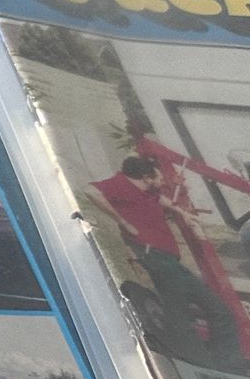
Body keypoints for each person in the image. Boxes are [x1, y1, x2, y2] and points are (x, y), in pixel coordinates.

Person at [86, 155, 240, 363]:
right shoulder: (120, 184)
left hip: (169, 258)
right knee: (181, 315)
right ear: (146, 177)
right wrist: (122, 221)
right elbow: (91, 191)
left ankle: (226, 361)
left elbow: (158, 198)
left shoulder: (146, 191)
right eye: (158, 178)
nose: (161, 181)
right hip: (155, 256)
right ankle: (202, 362)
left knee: (217, 310)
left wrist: (181, 212)